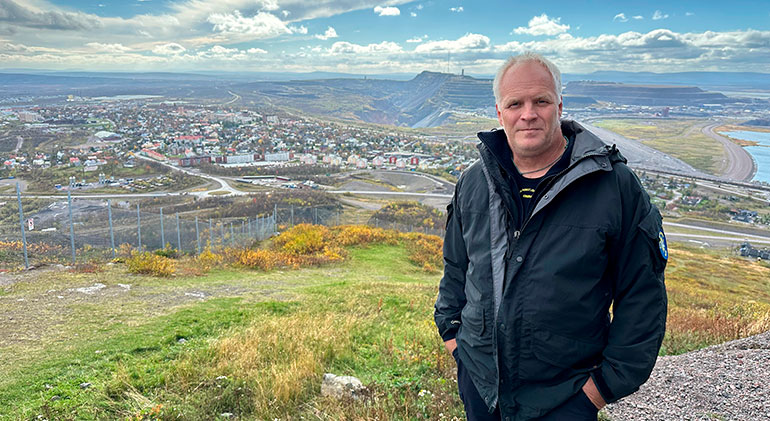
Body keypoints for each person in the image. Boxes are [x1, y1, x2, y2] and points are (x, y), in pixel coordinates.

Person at [434, 52, 668, 421]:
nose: (528, 114)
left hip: (566, 398)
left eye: (540, 101)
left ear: (559, 105)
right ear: (499, 113)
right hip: (481, 389)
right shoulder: (475, 182)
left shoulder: (612, 186)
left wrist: (599, 391)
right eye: (515, 103)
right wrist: (455, 340)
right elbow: (456, 269)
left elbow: (642, 296)